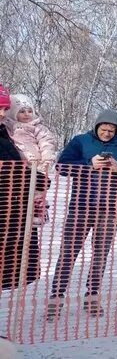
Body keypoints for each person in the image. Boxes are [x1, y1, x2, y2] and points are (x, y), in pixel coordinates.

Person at [47, 109, 117, 319]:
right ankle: (56, 298)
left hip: (109, 209)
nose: (107, 133)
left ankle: (92, 296)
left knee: (100, 255)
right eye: (104, 129)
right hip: (81, 206)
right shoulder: (80, 141)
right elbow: (61, 166)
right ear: (96, 126)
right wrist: (89, 164)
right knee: (68, 253)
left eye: (111, 130)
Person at [0, 84, 42, 290]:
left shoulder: (7, 133)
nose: (2, 113)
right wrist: (33, 177)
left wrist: (37, 177)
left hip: (13, 210)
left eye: (5, 108)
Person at [5, 94, 57, 225]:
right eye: (22, 111)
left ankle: (39, 212)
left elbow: (47, 142)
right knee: (24, 192)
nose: (27, 114)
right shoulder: (8, 127)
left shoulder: (37, 127)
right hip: (20, 165)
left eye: (30, 111)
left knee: (37, 190)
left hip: (36, 164)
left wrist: (46, 159)